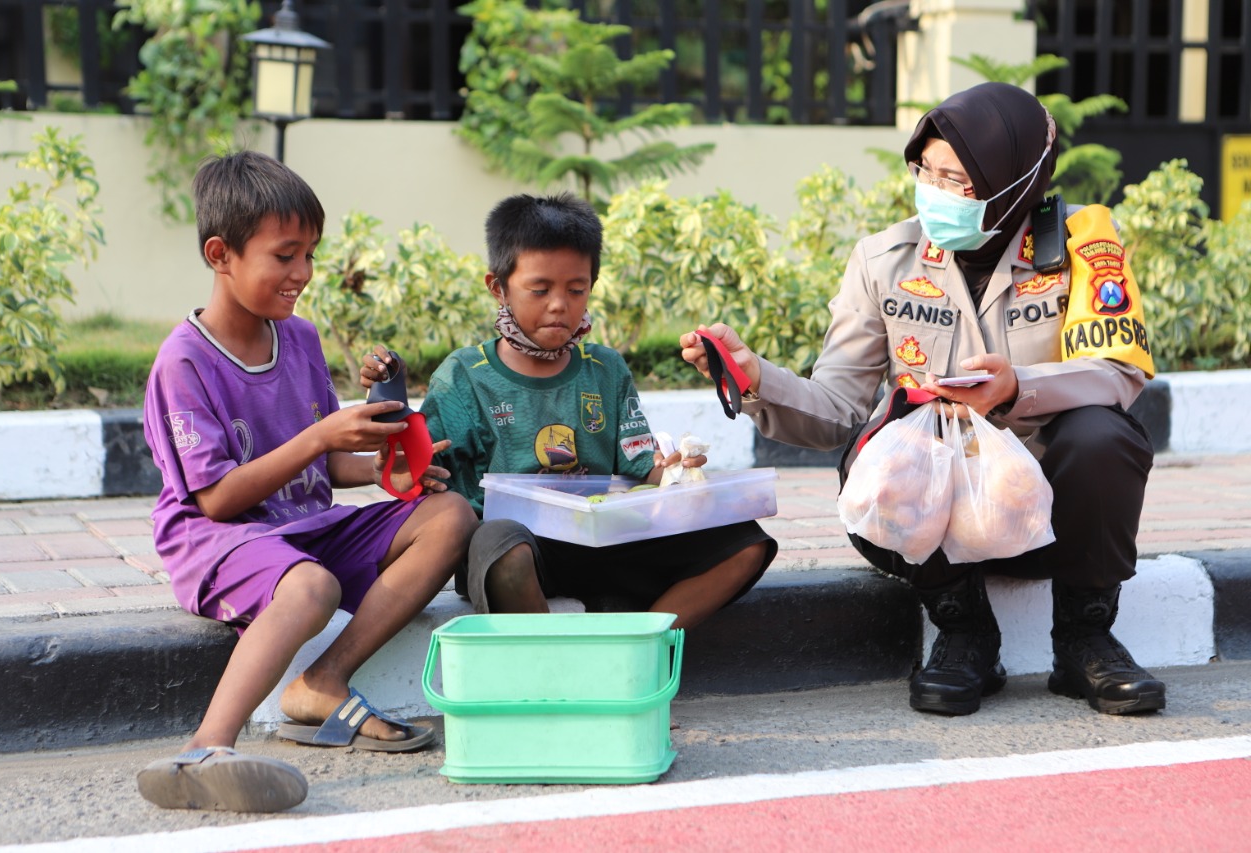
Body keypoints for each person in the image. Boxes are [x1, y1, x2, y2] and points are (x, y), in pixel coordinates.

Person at [681, 82, 1164, 717]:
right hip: (937, 515)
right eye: (925, 171)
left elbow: (1117, 371)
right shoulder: (884, 260)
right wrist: (756, 380)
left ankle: (1085, 638)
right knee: (888, 435)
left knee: (1104, 434)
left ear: (1014, 182)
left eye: (957, 181)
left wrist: (1018, 389)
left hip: (1052, 514)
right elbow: (841, 408)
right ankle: (963, 630)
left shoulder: (1081, 246)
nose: (935, 192)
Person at [136, 151, 477, 813]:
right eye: (285, 256)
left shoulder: (299, 338)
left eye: (310, 256)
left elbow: (324, 465)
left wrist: (384, 468)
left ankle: (324, 678)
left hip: (302, 530)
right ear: (221, 254)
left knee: (452, 515)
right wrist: (322, 438)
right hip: (218, 537)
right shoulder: (183, 360)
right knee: (312, 585)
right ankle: (205, 748)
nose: (302, 274)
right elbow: (218, 497)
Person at [360, 192, 776, 631]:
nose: (559, 304)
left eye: (576, 289)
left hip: (607, 538)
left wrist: (677, 474)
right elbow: (428, 475)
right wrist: (405, 461)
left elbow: (639, 465)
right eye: (539, 290)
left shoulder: (606, 368)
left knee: (744, 542)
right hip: (521, 547)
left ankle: (640, 646)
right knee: (500, 545)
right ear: (497, 287)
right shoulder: (465, 376)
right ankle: (554, 660)